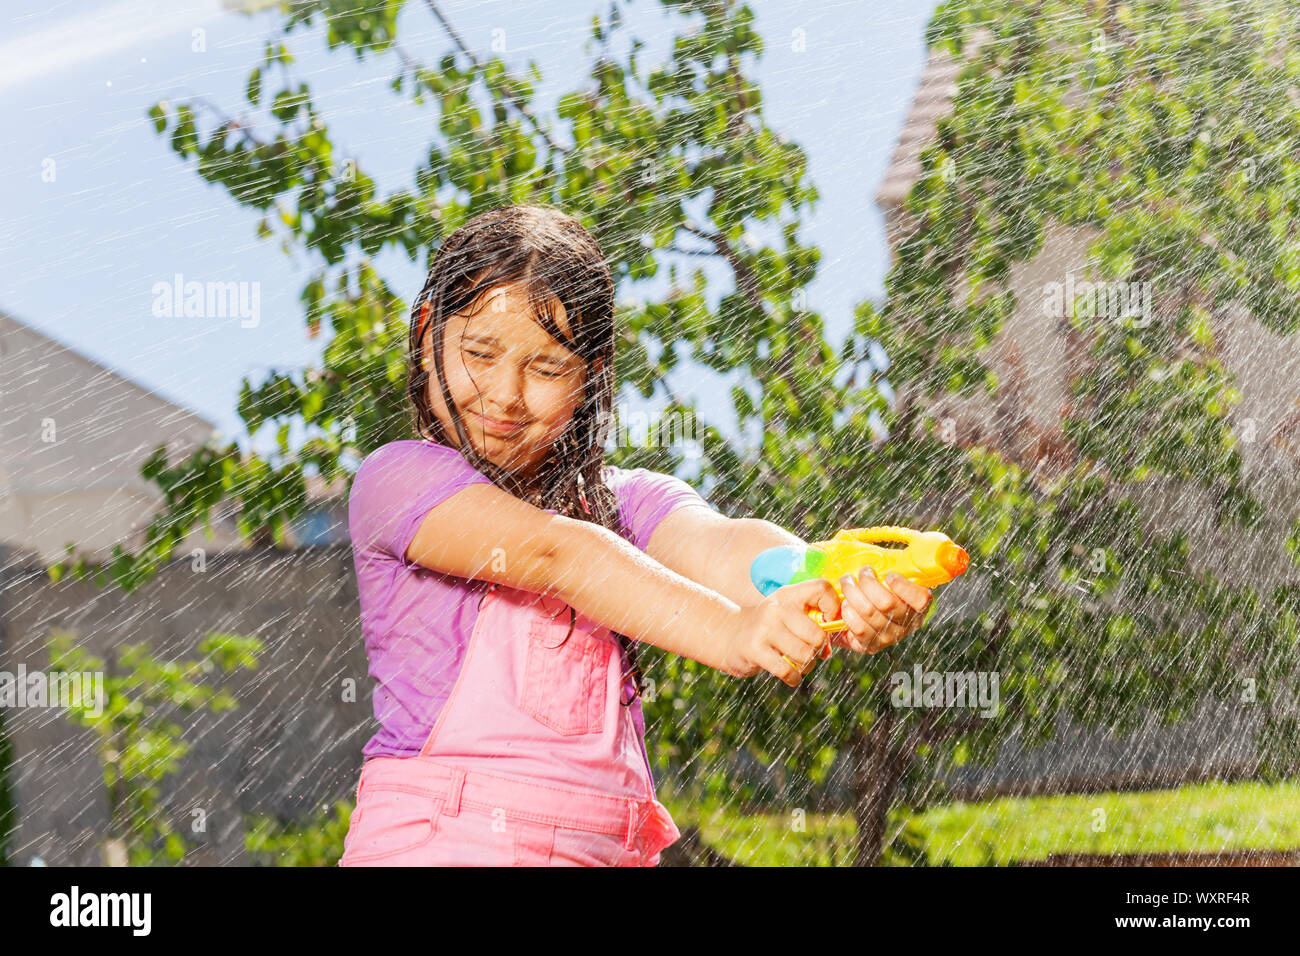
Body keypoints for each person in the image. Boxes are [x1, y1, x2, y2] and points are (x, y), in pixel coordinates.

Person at [337, 204, 933, 867]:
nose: (506, 393)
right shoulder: (399, 482)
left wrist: (830, 582)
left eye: (546, 368)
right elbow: (555, 553)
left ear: (589, 378)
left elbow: (723, 546)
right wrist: (734, 633)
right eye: (479, 353)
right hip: (446, 842)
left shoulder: (623, 505)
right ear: (427, 338)